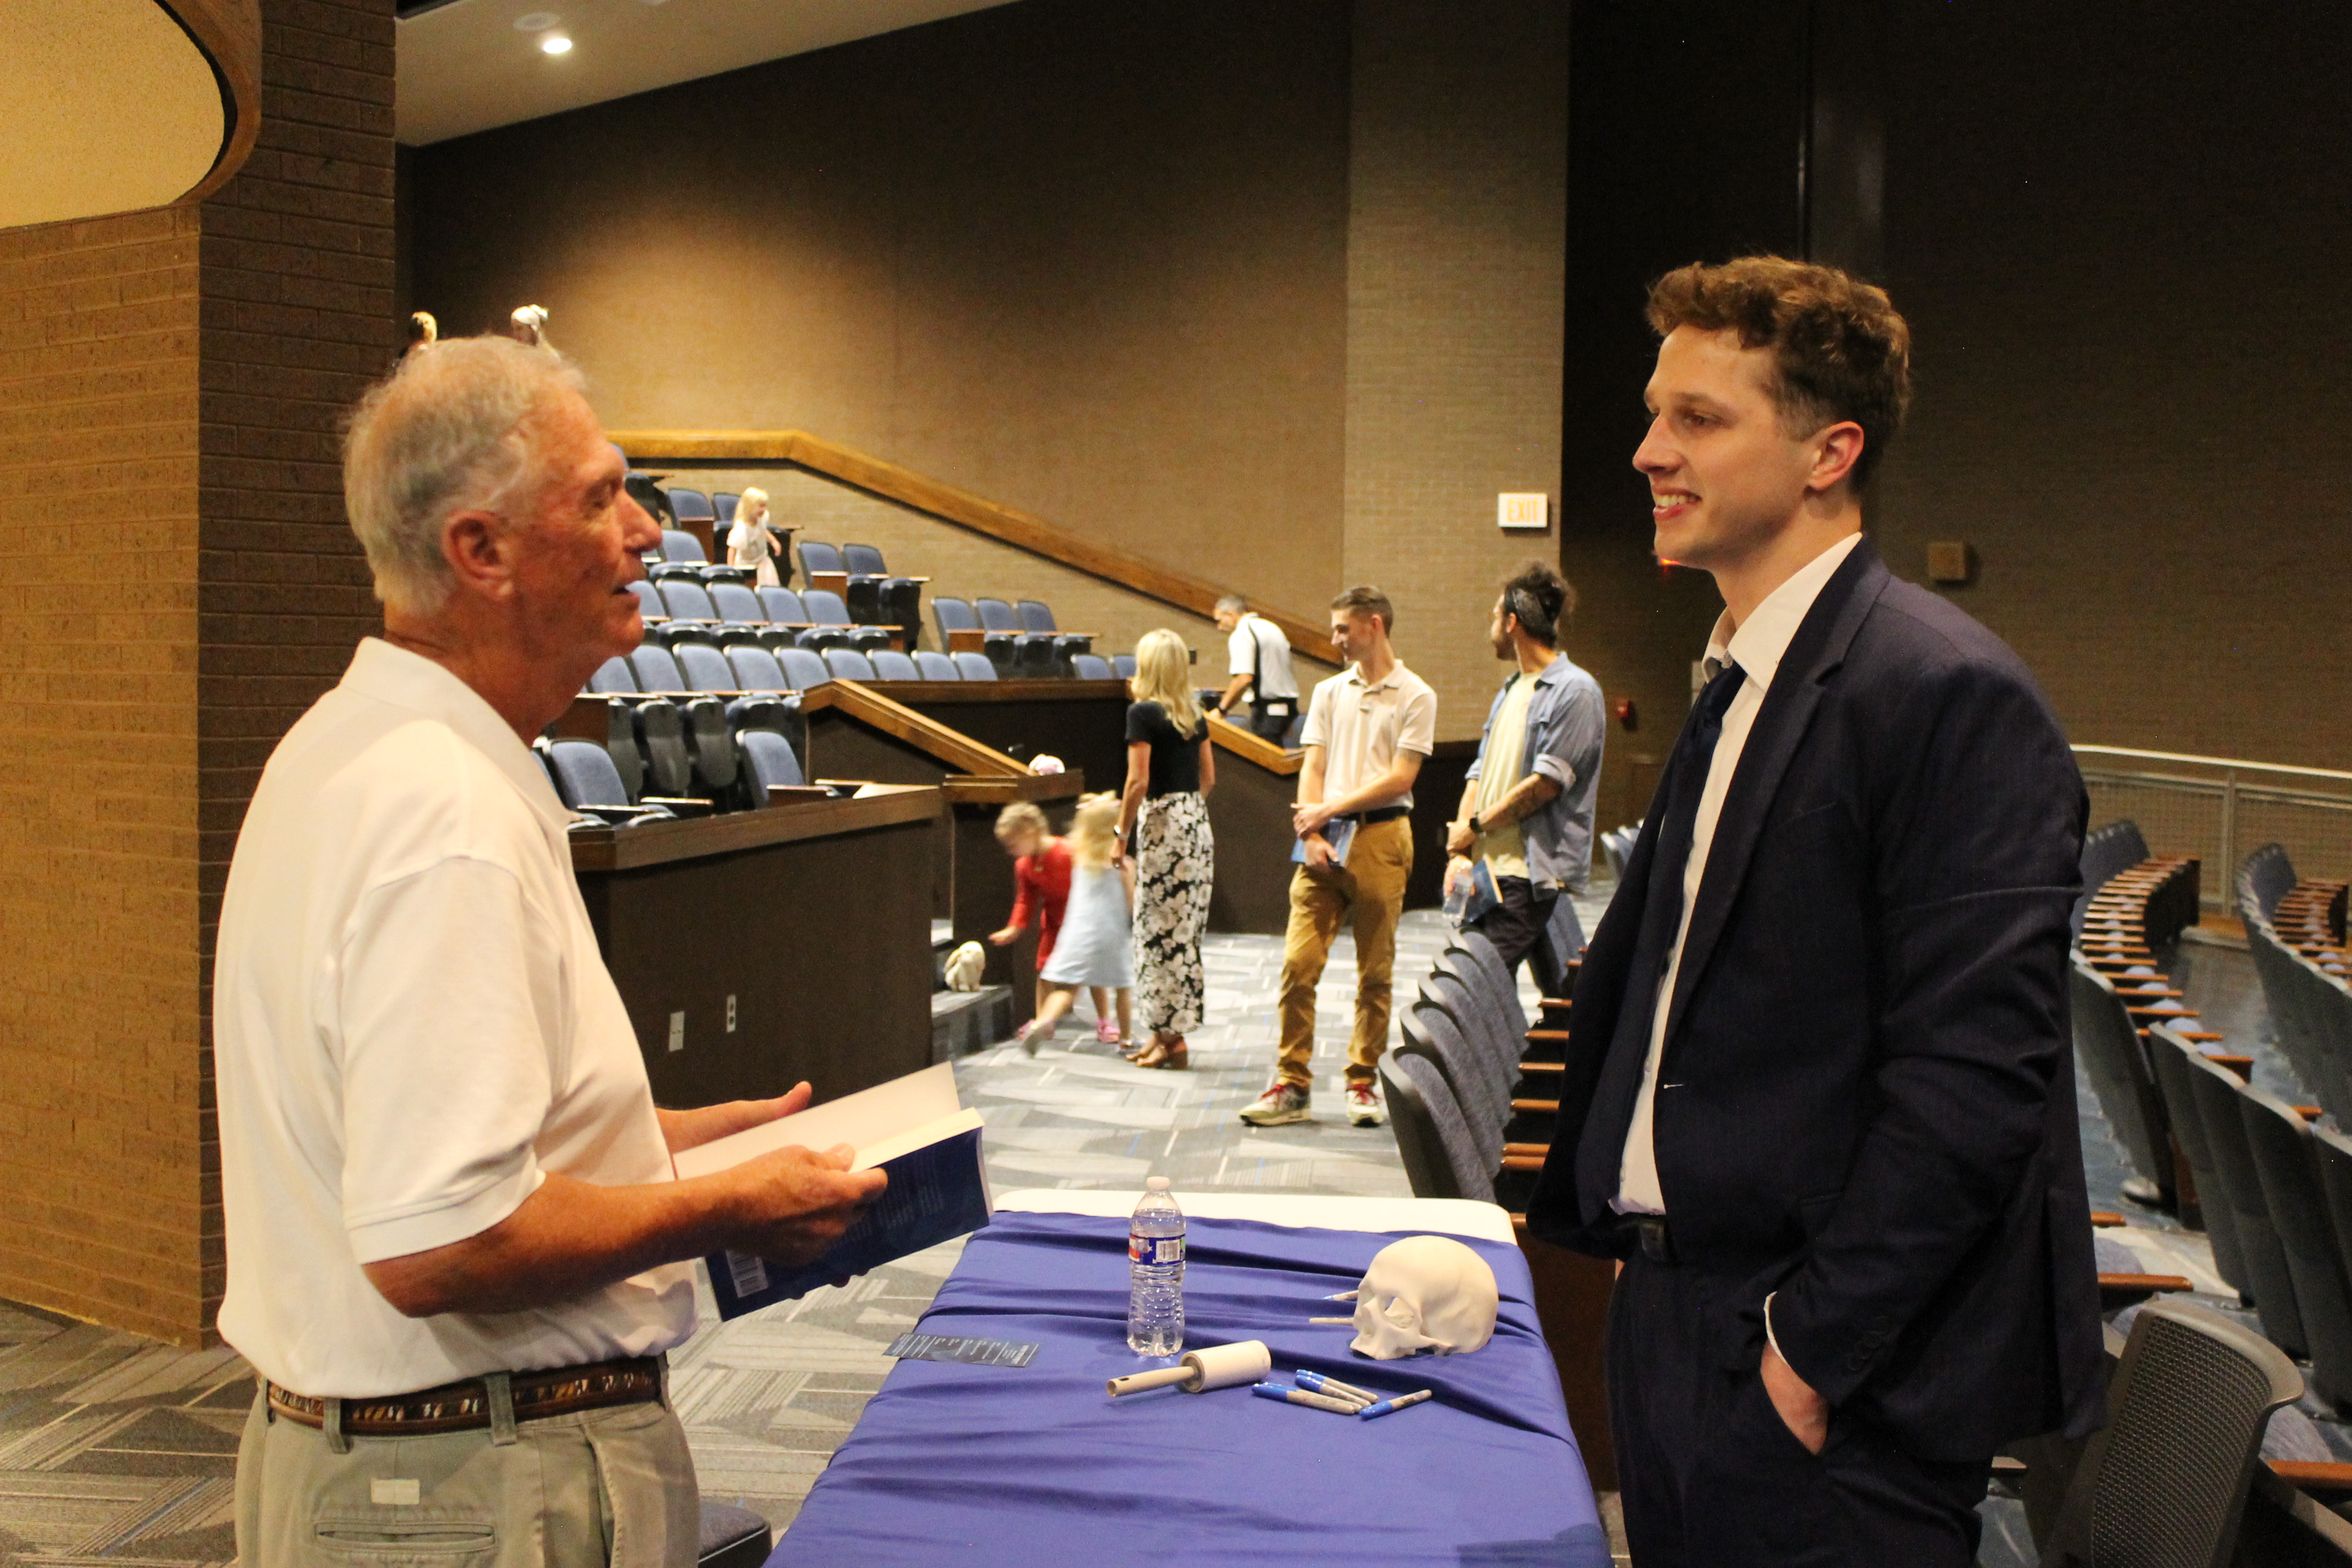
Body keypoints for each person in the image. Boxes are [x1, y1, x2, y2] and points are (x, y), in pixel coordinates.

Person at [214, 335, 889, 1567]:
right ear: (482, 550)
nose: (647, 531)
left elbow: (424, 1133)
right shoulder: (442, 811)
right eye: (599, 498)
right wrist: (727, 1205)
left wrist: (671, 1140)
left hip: (416, 1474)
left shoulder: (355, 745)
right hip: (476, 1486)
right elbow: (441, 1241)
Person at [1526, 257, 2101, 1567]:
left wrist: (1808, 1348)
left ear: (1829, 452)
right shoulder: (1742, 677)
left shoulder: (1944, 691)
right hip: (1675, 1322)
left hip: (1822, 1381)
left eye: (1699, 418)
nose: (1650, 450)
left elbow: (1975, 1078)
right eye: (1656, 413)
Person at [1239, 587, 1435, 1128]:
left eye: (1343, 628)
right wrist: (1313, 831)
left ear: (1374, 625)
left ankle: (1361, 1082)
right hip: (1323, 839)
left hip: (1382, 838)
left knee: (1375, 971)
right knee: (1297, 965)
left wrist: (1328, 809)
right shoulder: (1328, 691)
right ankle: (1292, 1084)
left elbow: (1401, 778)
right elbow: (1314, 765)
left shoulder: (1416, 695)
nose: (1334, 638)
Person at [1444, 561, 1605, 974]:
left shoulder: (1576, 690)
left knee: (1475, 981)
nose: (1491, 627)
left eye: (1495, 616)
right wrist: (1460, 850)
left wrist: (1474, 827)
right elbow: (1479, 772)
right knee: (1483, 988)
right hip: (1486, 872)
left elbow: (1544, 786)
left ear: (1512, 622)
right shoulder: (1511, 688)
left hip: (1524, 876)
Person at [1118, 629, 1217, 1069]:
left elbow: (1137, 782)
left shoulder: (1142, 713)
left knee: (1158, 934)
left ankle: (1172, 1042)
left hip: (1162, 826)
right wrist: (1186, 812)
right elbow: (1208, 778)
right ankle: (1163, 1034)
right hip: (1194, 823)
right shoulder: (1195, 714)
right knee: (1183, 933)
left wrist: (1120, 834)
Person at [989, 801, 1120, 1047]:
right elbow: (1025, 900)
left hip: (1083, 920)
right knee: (1045, 971)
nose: (1011, 851)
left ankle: (1105, 1021)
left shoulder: (1067, 852)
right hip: (1054, 923)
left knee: (1093, 973)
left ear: (1030, 830)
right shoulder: (1024, 865)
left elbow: (1092, 878)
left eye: (1013, 844)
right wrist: (1014, 928)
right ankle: (1043, 1022)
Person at [1019, 794, 1136, 1053]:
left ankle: (1043, 1021)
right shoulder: (1124, 865)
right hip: (1111, 935)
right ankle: (1126, 1038)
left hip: (1077, 933)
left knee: (1068, 989)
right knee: (1122, 988)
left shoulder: (1078, 860)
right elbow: (1131, 903)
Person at [1212, 594, 1300, 742]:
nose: (1219, 628)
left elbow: (1244, 679)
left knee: (1261, 753)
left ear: (1231, 614)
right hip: (1287, 707)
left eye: (1220, 621)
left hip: (1266, 711)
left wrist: (1221, 709)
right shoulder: (1271, 627)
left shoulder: (1242, 634)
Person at [727, 484, 782, 586]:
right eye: (761, 506)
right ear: (749, 507)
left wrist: (773, 541)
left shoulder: (762, 519)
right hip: (746, 567)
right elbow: (732, 550)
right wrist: (731, 570)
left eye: (765, 506)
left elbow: (762, 531)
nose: (764, 509)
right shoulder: (742, 528)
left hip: (763, 562)